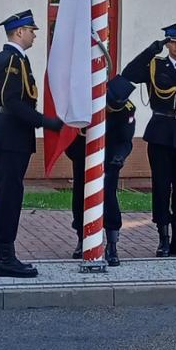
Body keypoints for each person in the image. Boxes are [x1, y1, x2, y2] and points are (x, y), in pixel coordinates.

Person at [121, 23, 176, 257]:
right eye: (172, 42)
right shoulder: (154, 66)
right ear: (167, 44)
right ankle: (163, 239)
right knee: (161, 186)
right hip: (160, 134)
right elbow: (129, 73)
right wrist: (151, 50)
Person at [0, 10, 64, 278]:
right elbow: (11, 101)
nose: (34, 34)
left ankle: (5, 254)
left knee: (11, 194)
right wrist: (46, 121)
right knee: (9, 196)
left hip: (13, 136)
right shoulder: (11, 59)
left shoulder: (15, 59)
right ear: (19, 32)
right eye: (31, 30)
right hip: (12, 137)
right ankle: (5, 257)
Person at [68, 67, 139, 266]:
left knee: (108, 196)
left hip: (110, 156)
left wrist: (119, 157)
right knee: (80, 196)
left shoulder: (127, 109)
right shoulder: (89, 102)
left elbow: (126, 140)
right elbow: (73, 131)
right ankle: (82, 239)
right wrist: (74, 154)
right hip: (85, 154)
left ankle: (112, 243)